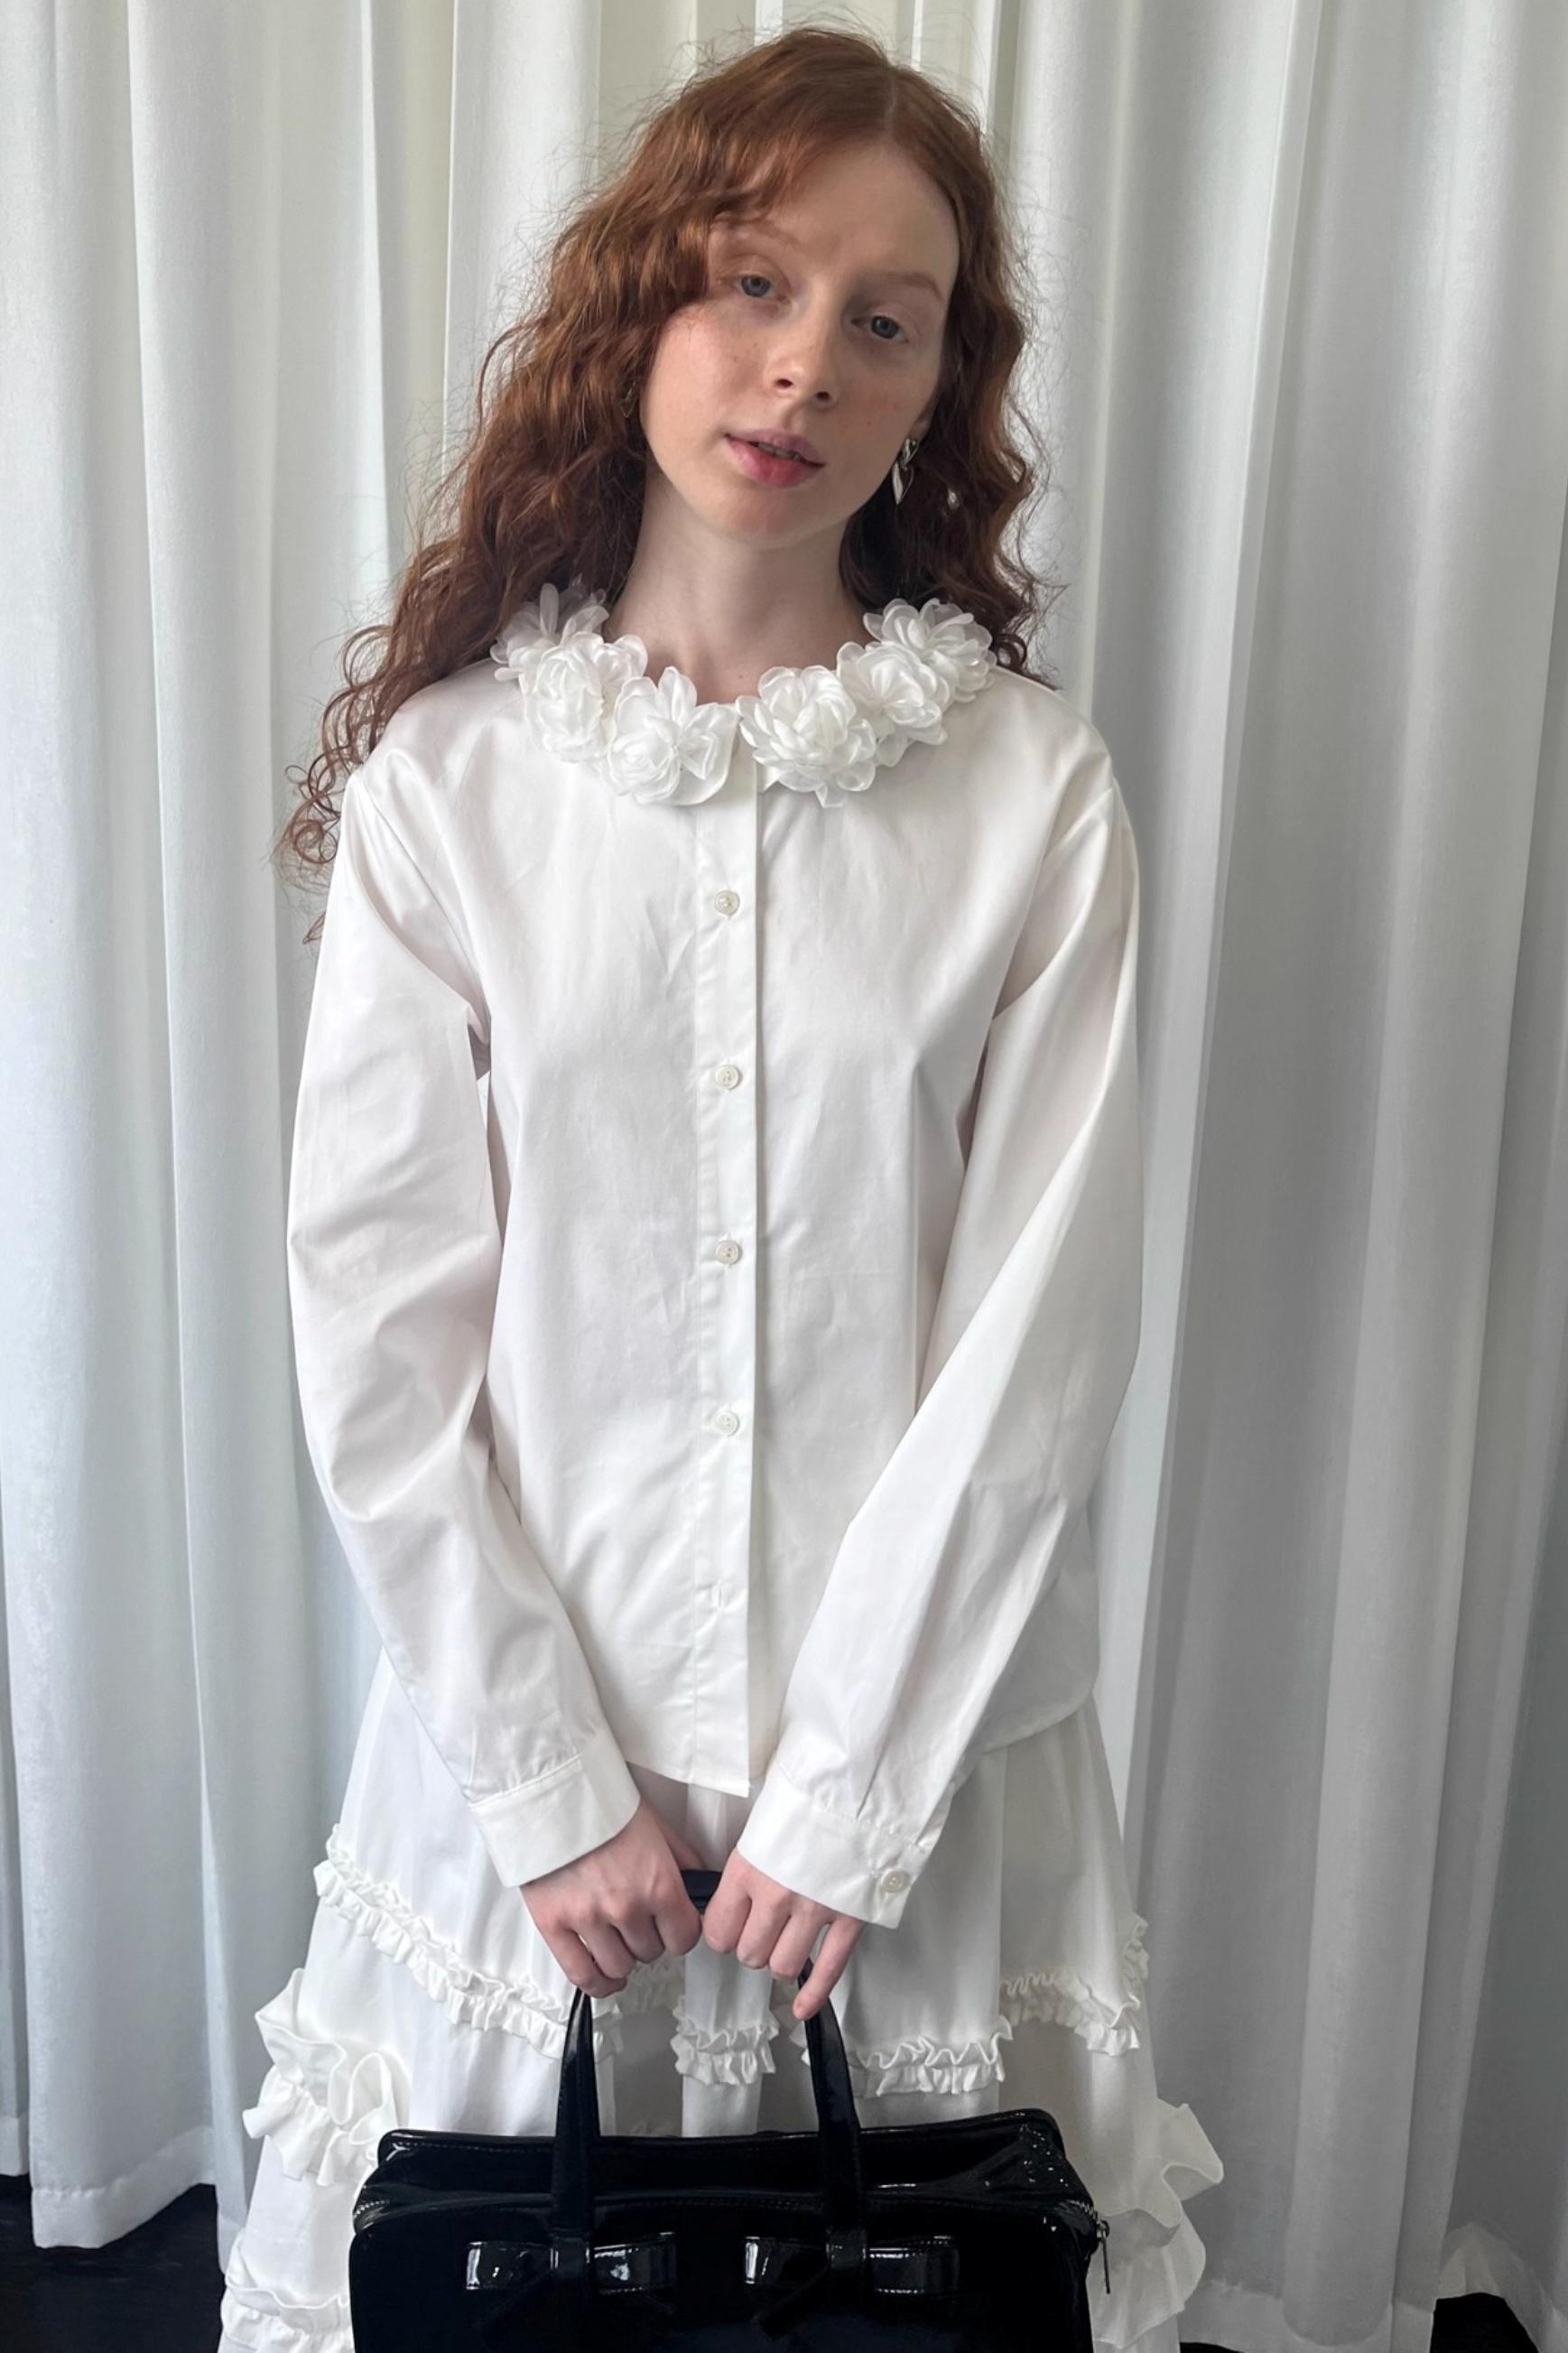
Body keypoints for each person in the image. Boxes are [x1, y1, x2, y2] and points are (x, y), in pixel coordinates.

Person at [218, 25, 1222, 2352]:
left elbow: (1044, 1328)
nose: (804, 366)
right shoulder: (452, 792)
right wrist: (548, 1785)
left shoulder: (1030, 797)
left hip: (928, 1789)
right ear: (640, 306)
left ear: (943, 385)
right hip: (537, 1788)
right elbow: (377, 1335)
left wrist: (854, 1794)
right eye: (753, 283)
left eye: (888, 320)